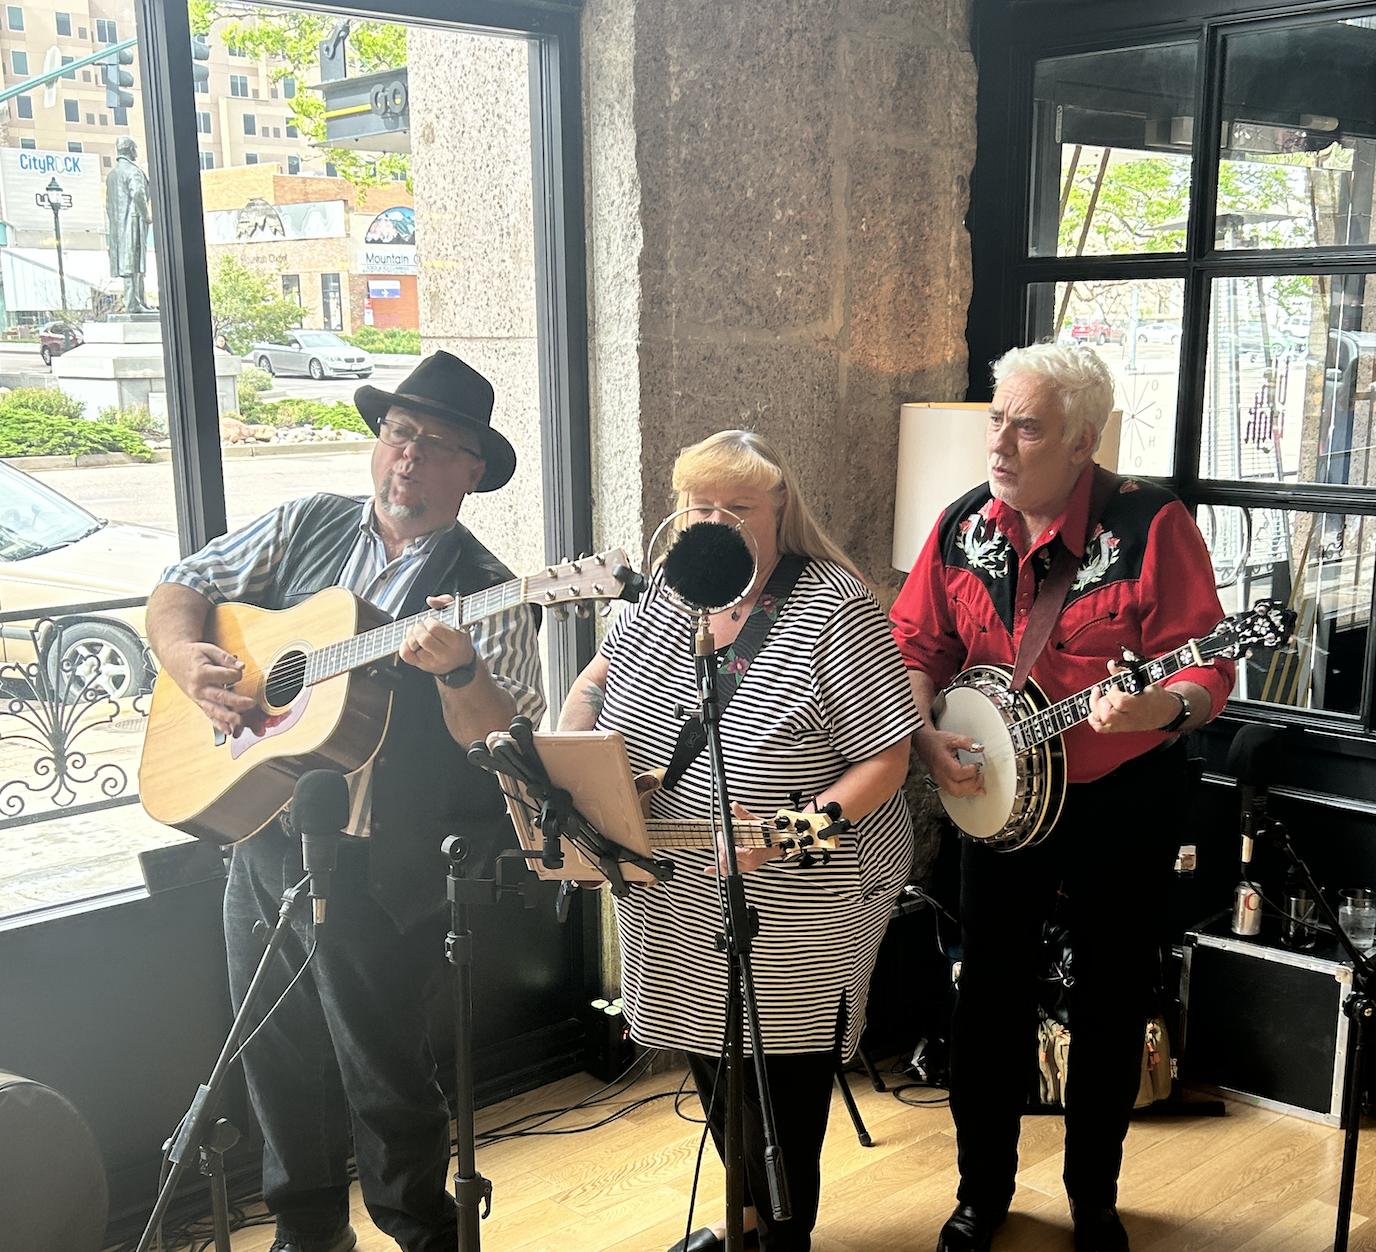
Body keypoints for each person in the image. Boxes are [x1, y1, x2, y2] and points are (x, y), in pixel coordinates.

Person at [146, 351, 544, 1252]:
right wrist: (184, 659)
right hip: (262, 830)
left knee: (386, 1070)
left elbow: (496, 736)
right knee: (274, 1053)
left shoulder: (488, 590)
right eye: (401, 433)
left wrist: (460, 669)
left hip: (383, 860)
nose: (410, 456)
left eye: (438, 445)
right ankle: (307, 1232)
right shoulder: (304, 524)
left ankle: (420, 1231)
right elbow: (183, 586)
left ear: (472, 473)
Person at [890, 343, 1235, 1252]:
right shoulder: (963, 523)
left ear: (1081, 442)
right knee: (988, 998)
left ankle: (1094, 1197)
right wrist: (924, 735)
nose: (999, 441)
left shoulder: (1152, 524)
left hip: (1123, 793)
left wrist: (1156, 705)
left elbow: (1207, 658)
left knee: (1113, 995)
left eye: (1026, 425)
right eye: (996, 418)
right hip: (999, 800)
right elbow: (917, 645)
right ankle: (982, 1192)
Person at [559, 430, 921, 1252]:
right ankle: (745, 1219)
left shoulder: (837, 607)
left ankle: (781, 1234)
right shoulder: (664, 598)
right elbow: (596, 679)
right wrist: (571, 751)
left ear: (780, 511)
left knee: (781, 1075)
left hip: (805, 891)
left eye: (737, 507)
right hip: (674, 876)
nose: (713, 520)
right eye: (698, 505)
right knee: (710, 1050)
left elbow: (887, 759)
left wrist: (793, 832)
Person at [106, 136, 152, 313]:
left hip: (118, 225)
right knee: (134, 263)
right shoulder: (133, 172)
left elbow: (108, 204)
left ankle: (138, 302)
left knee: (130, 264)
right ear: (130, 150)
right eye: (135, 149)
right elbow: (138, 194)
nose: (137, 152)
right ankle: (134, 304)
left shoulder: (111, 176)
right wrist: (146, 215)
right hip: (132, 221)